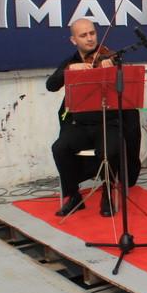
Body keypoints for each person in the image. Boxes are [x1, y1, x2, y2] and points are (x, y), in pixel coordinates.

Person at [47, 18, 120, 218]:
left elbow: (126, 89)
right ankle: (74, 197)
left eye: (92, 33)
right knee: (59, 148)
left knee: (109, 150)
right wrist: (69, 70)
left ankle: (107, 195)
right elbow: (51, 85)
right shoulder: (70, 63)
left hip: (107, 123)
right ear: (73, 40)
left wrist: (112, 69)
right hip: (79, 125)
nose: (90, 38)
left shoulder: (109, 57)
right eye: (83, 35)